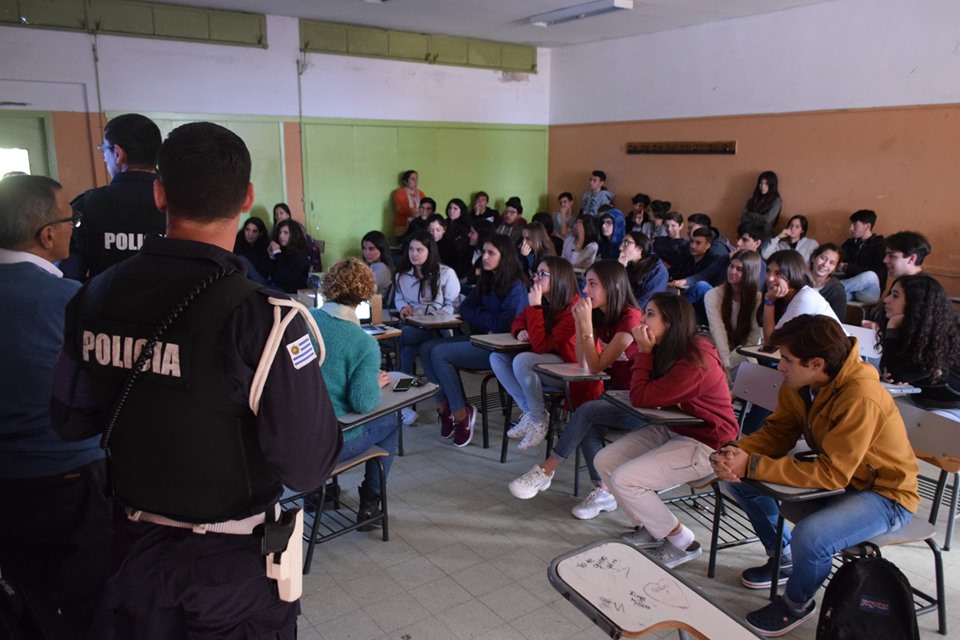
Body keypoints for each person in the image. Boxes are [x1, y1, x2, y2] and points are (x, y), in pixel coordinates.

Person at [50, 122, 342, 638]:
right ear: (248, 197)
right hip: (231, 570)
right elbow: (309, 464)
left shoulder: (92, 297)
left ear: (160, 193)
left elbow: (70, 421)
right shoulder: (265, 318)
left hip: (132, 550)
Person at [713, 315, 918, 637]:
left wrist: (752, 465)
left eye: (787, 360)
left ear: (817, 363)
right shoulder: (804, 383)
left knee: (812, 537)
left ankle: (796, 604)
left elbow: (832, 473)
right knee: (741, 485)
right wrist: (736, 452)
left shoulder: (859, 396)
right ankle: (783, 558)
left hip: (887, 494)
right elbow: (779, 432)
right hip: (847, 480)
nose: (780, 367)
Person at [0, 174, 111, 638]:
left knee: (26, 594)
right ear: (48, 235)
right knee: (90, 598)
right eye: (72, 218)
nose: (74, 227)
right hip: (69, 476)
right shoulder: (70, 301)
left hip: (7, 485)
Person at [596, 294, 739, 569]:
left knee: (626, 479)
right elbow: (641, 388)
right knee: (605, 460)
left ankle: (683, 542)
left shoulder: (695, 360)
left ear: (670, 322)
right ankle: (650, 527)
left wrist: (645, 352)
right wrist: (646, 352)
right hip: (677, 426)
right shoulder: (670, 346)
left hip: (708, 443)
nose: (641, 320)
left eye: (649, 314)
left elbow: (640, 395)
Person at [508, 260, 643, 520]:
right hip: (616, 396)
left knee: (587, 412)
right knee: (587, 422)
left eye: (593, 284)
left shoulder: (630, 318)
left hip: (640, 403)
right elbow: (584, 362)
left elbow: (594, 366)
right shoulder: (602, 315)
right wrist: (583, 324)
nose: (586, 289)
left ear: (612, 287)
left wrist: (585, 325)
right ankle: (603, 490)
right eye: (586, 283)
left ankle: (546, 469)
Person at [309, 258, 400, 529]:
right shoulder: (364, 343)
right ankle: (370, 503)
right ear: (364, 295)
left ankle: (316, 493)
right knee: (392, 420)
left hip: (295, 436)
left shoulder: (305, 320)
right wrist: (375, 383)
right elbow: (363, 402)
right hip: (331, 443)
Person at [420, 234, 528, 447]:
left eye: (491, 253)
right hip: (481, 338)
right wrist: (484, 315)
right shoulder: (488, 280)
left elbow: (500, 325)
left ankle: (461, 413)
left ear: (504, 257)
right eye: (484, 252)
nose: (484, 257)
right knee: (426, 348)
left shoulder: (516, 286)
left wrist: (481, 315)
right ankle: (445, 408)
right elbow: (466, 307)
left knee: (439, 353)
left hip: (501, 348)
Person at [492, 257, 591, 450]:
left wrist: (535, 307)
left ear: (559, 278)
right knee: (497, 357)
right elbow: (518, 321)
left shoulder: (574, 308)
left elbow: (540, 346)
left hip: (569, 369)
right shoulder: (544, 300)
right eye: (536, 273)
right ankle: (532, 413)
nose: (536, 278)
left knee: (522, 360)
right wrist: (520, 330)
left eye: (542, 274)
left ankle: (538, 419)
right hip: (546, 362)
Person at [61, 113, 165, 282]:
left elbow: (69, 277)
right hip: (175, 306)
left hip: (103, 305)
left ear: (118, 153)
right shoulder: (182, 204)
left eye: (103, 149)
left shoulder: (85, 206)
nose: (103, 158)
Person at [877, 274, 960, 416]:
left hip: (949, 408)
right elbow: (889, 371)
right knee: (878, 406)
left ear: (916, 303)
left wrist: (892, 325)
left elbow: (897, 375)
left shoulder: (942, 339)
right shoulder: (910, 331)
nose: (886, 300)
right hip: (919, 400)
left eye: (895, 296)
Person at [394, 230, 461, 390]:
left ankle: (400, 393)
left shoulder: (446, 273)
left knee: (399, 341)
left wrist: (432, 317)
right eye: (411, 249)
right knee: (406, 350)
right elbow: (399, 298)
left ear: (430, 251)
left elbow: (454, 304)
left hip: (437, 326)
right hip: (411, 324)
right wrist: (403, 308)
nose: (414, 254)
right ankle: (404, 399)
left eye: (419, 250)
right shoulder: (402, 275)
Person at [704, 250, 763, 379]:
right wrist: (725, 363)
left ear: (750, 273)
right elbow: (717, 330)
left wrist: (731, 362)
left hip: (744, 354)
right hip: (718, 352)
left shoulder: (758, 299)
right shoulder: (713, 295)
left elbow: (753, 340)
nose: (733, 272)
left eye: (739, 269)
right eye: (731, 266)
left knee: (748, 360)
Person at [760, 250, 840, 344]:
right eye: (768, 271)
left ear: (793, 274)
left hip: (839, 356)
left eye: (778, 273)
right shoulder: (781, 298)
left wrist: (769, 302)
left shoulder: (805, 298)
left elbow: (771, 341)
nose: (770, 278)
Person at [838, 209, 885, 303]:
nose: (851, 228)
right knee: (833, 298)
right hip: (850, 289)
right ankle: (830, 289)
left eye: (855, 225)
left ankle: (829, 287)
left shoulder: (881, 245)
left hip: (868, 292)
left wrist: (849, 268)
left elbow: (880, 273)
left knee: (871, 275)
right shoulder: (849, 244)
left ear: (867, 226)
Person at [618, 231, 668, 310]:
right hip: (625, 309)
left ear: (640, 248)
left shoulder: (658, 270)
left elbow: (644, 303)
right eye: (622, 243)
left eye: (626, 243)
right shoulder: (628, 266)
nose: (620, 248)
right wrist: (620, 269)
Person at [271, 202, 322, 272]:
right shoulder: (275, 229)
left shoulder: (296, 228)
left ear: (288, 215)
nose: (278, 216)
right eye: (276, 214)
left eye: (281, 213)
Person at [268, 218, 311, 293]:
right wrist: (272, 257)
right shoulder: (284, 250)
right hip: (277, 285)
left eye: (286, 233)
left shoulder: (299, 253)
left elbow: (289, 278)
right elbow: (274, 276)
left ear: (294, 235)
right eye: (280, 233)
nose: (281, 236)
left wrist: (277, 253)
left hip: (291, 291)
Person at [807, 243, 846, 319]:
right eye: (823, 258)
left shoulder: (837, 291)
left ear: (835, 268)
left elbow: (837, 322)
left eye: (832, 263)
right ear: (814, 257)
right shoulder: (798, 280)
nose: (825, 264)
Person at [740, 170, 782, 237]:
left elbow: (767, 219)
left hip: (764, 236)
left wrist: (751, 214)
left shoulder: (776, 201)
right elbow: (742, 218)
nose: (762, 187)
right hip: (748, 234)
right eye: (761, 183)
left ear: (772, 185)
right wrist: (759, 220)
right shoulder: (752, 200)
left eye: (766, 184)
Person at [233, 216, 271, 284]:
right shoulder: (238, 241)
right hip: (243, 279)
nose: (250, 234)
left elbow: (264, 270)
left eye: (254, 231)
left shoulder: (265, 247)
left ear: (260, 233)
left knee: (242, 259)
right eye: (247, 230)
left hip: (260, 280)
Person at [361, 229, 395, 299]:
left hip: (374, 306)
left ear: (381, 249)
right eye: (364, 248)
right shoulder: (371, 265)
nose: (366, 253)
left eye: (371, 249)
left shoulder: (382, 268)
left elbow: (364, 291)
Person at [393, 169, 424, 238]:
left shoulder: (421, 194)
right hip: (402, 230)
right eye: (412, 179)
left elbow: (425, 210)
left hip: (418, 229)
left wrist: (417, 211)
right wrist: (416, 211)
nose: (415, 181)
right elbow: (402, 208)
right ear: (405, 182)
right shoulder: (399, 192)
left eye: (416, 178)